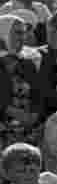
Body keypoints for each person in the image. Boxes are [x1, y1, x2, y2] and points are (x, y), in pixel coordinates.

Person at [0, 14, 45, 152]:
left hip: (28, 128)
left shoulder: (28, 63)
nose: (22, 38)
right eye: (17, 33)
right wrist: (14, 113)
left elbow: (38, 94)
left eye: (23, 33)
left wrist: (33, 116)